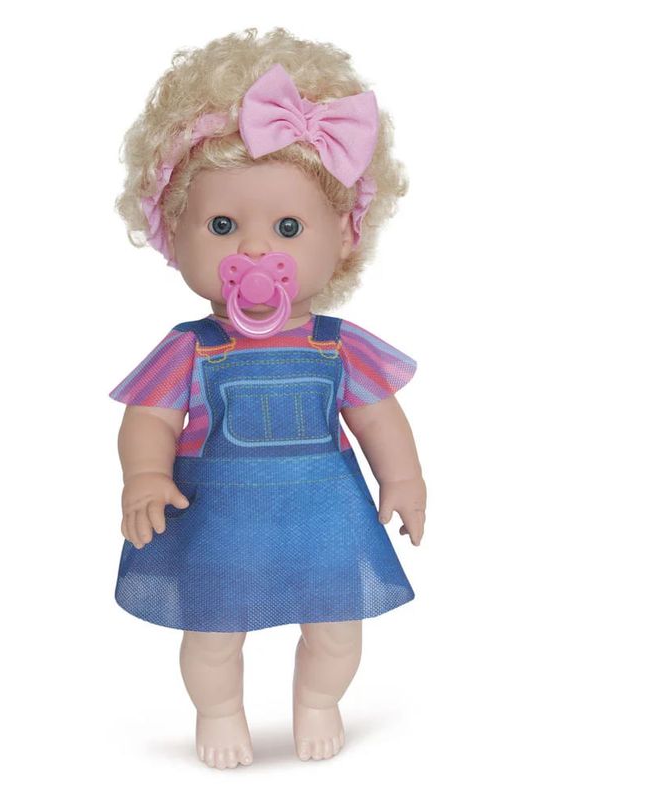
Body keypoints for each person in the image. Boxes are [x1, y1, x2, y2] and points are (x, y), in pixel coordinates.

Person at [109, 27, 427, 769]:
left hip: (324, 517)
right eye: (222, 226)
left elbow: (378, 415)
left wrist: (404, 477)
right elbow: (149, 417)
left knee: (338, 628)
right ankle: (219, 711)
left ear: (344, 236)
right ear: (172, 232)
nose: (255, 251)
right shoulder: (192, 348)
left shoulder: (337, 345)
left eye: (287, 227)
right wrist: (145, 473)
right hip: (220, 521)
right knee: (213, 634)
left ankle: (319, 701)